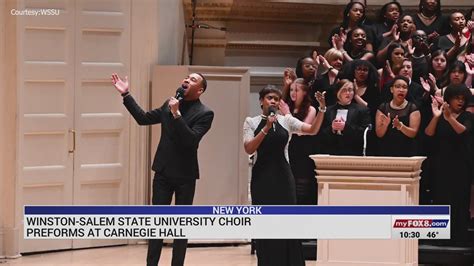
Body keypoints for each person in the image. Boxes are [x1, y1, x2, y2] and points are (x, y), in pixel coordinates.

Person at [111, 73, 214, 266]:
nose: (186, 80)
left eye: (193, 80)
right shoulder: (170, 102)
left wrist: (176, 114)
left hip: (185, 176)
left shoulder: (205, 113)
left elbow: (191, 140)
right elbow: (143, 118)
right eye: (186, 77)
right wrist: (126, 95)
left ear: (200, 90)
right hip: (163, 173)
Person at [243, 85, 326, 266]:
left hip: (283, 178)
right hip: (262, 179)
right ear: (261, 101)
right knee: (264, 223)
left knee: (287, 222)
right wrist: (266, 127)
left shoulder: (287, 120)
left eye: (276, 99)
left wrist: (322, 109)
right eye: (269, 98)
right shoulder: (251, 121)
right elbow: (249, 147)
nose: (273, 101)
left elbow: (312, 130)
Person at [425, 84, 472, 246]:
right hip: (441, 164)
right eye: (457, 98)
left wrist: (449, 117)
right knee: (441, 198)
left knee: (459, 199)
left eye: (463, 99)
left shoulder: (467, 116)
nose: (460, 101)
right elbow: (429, 133)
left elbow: (462, 131)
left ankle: (459, 238)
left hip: (461, 165)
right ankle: (440, 237)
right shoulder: (440, 115)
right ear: (448, 98)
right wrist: (437, 116)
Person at [282, 79, 318, 205]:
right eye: (291, 90)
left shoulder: (311, 109)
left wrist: (287, 114)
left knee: (302, 186)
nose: (293, 93)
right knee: (287, 183)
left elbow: (302, 130)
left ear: (304, 92)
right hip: (287, 148)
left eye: (296, 90)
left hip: (303, 150)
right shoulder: (287, 107)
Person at [320, 79, 371, 155]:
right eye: (344, 90)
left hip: (353, 152)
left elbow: (365, 133)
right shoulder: (328, 110)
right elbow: (320, 133)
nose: (348, 93)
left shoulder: (362, 110)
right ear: (338, 92)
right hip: (331, 152)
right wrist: (332, 128)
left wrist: (345, 127)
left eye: (350, 90)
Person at [375, 76, 421, 156]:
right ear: (391, 89)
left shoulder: (413, 108)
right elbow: (379, 134)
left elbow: (413, 133)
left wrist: (400, 126)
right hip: (386, 150)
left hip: (407, 150)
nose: (401, 90)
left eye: (404, 87)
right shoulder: (383, 107)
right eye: (398, 86)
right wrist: (385, 125)